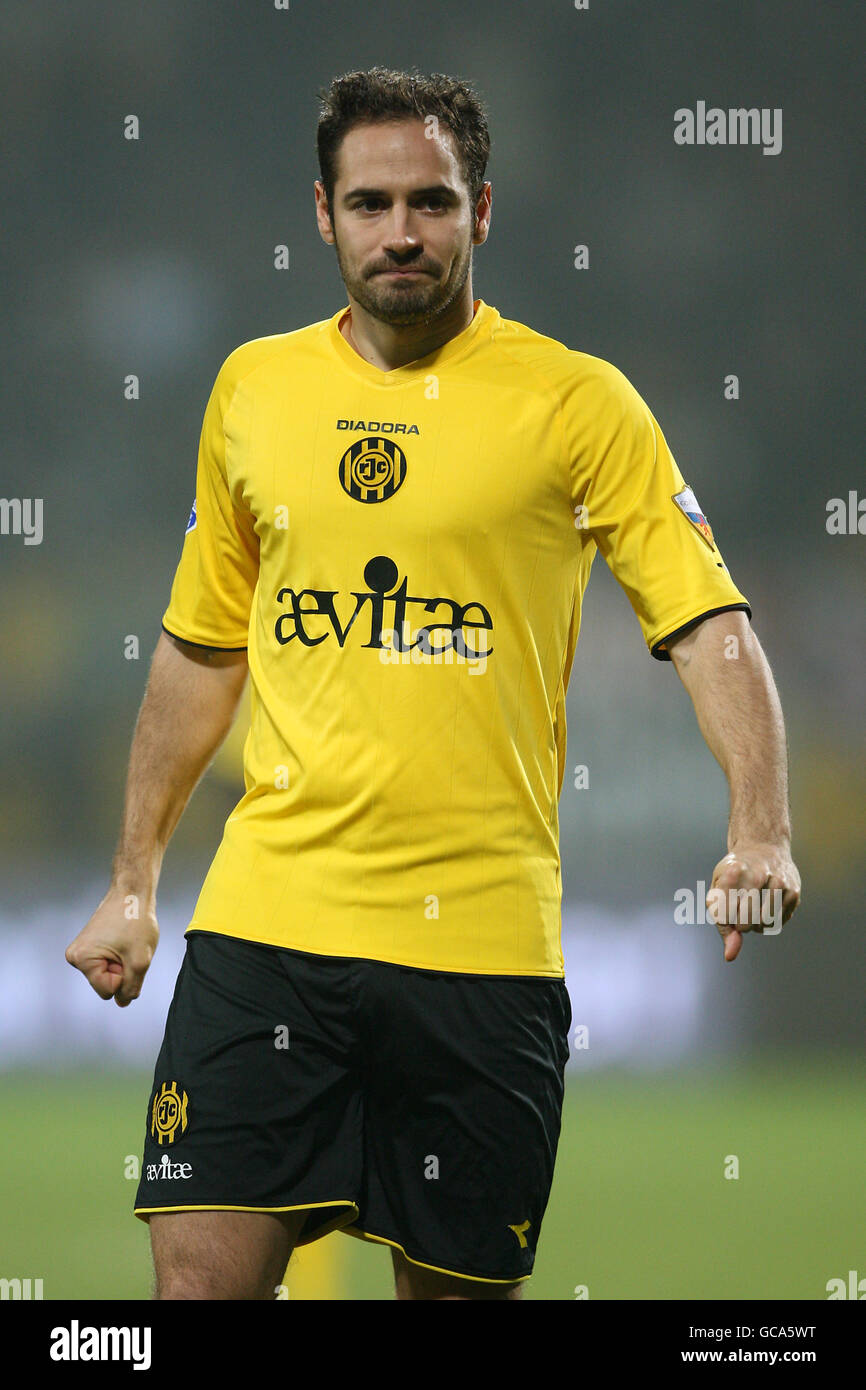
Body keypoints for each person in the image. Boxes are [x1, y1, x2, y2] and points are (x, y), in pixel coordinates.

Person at [65, 66, 801, 1301]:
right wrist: (133, 883)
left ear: (482, 211)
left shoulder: (579, 403)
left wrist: (761, 830)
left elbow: (706, 619)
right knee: (192, 1294)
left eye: (430, 202)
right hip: (265, 931)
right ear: (322, 213)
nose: (399, 232)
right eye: (368, 204)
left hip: (479, 952)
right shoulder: (253, 388)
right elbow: (202, 647)